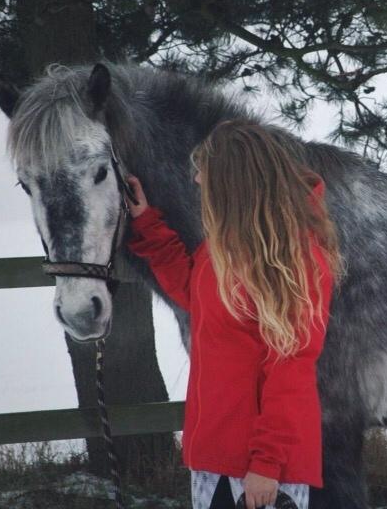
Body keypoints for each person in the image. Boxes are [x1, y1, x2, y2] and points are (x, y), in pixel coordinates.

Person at [124, 118, 343, 509]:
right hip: (217, 456)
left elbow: (290, 369)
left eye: (204, 171)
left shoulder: (293, 260)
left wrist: (267, 464)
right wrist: (147, 223)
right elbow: (194, 294)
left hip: (260, 470)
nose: (196, 180)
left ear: (232, 182)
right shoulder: (225, 248)